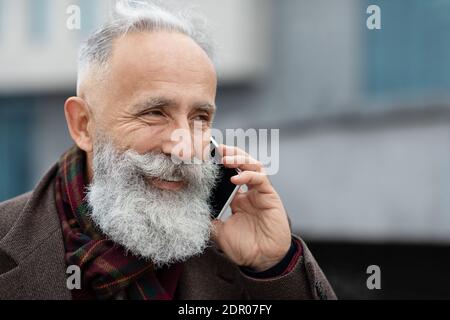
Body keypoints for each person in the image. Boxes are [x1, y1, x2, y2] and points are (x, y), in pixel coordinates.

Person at [0, 1, 336, 300]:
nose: (184, 147)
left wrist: (272, 267)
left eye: (200, 118)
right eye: (154, 113)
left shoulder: (236, 250)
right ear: (83, 125)